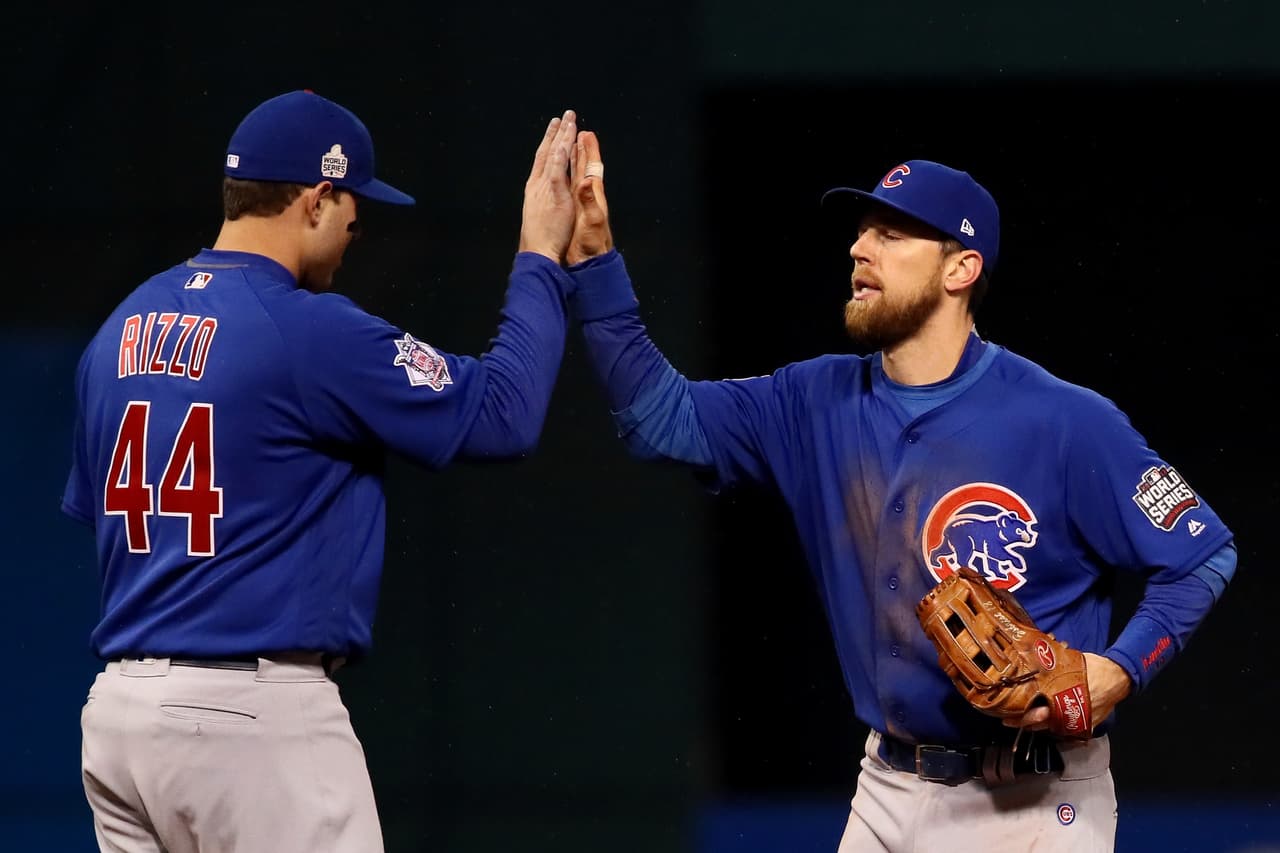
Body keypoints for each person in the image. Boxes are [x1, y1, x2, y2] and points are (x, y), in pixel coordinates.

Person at [561, 136, 1236, 852]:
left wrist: (1120, 669)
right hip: (886, 787)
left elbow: (1203, 555)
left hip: (1035, 802)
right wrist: (596, 262)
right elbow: (658, 422)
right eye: (860, 231)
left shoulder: (1066, 421)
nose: (859, 248)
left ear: (962, 268)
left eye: (891, 232)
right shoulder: (812, 401)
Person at [62, 90, 581, 852]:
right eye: (352, 213)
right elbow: (504, 414)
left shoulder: (119, 329)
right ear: (317, 197)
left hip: (119, 718)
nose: (353, 235)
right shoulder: (307, 329)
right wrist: (540, 255)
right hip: (251, 720)